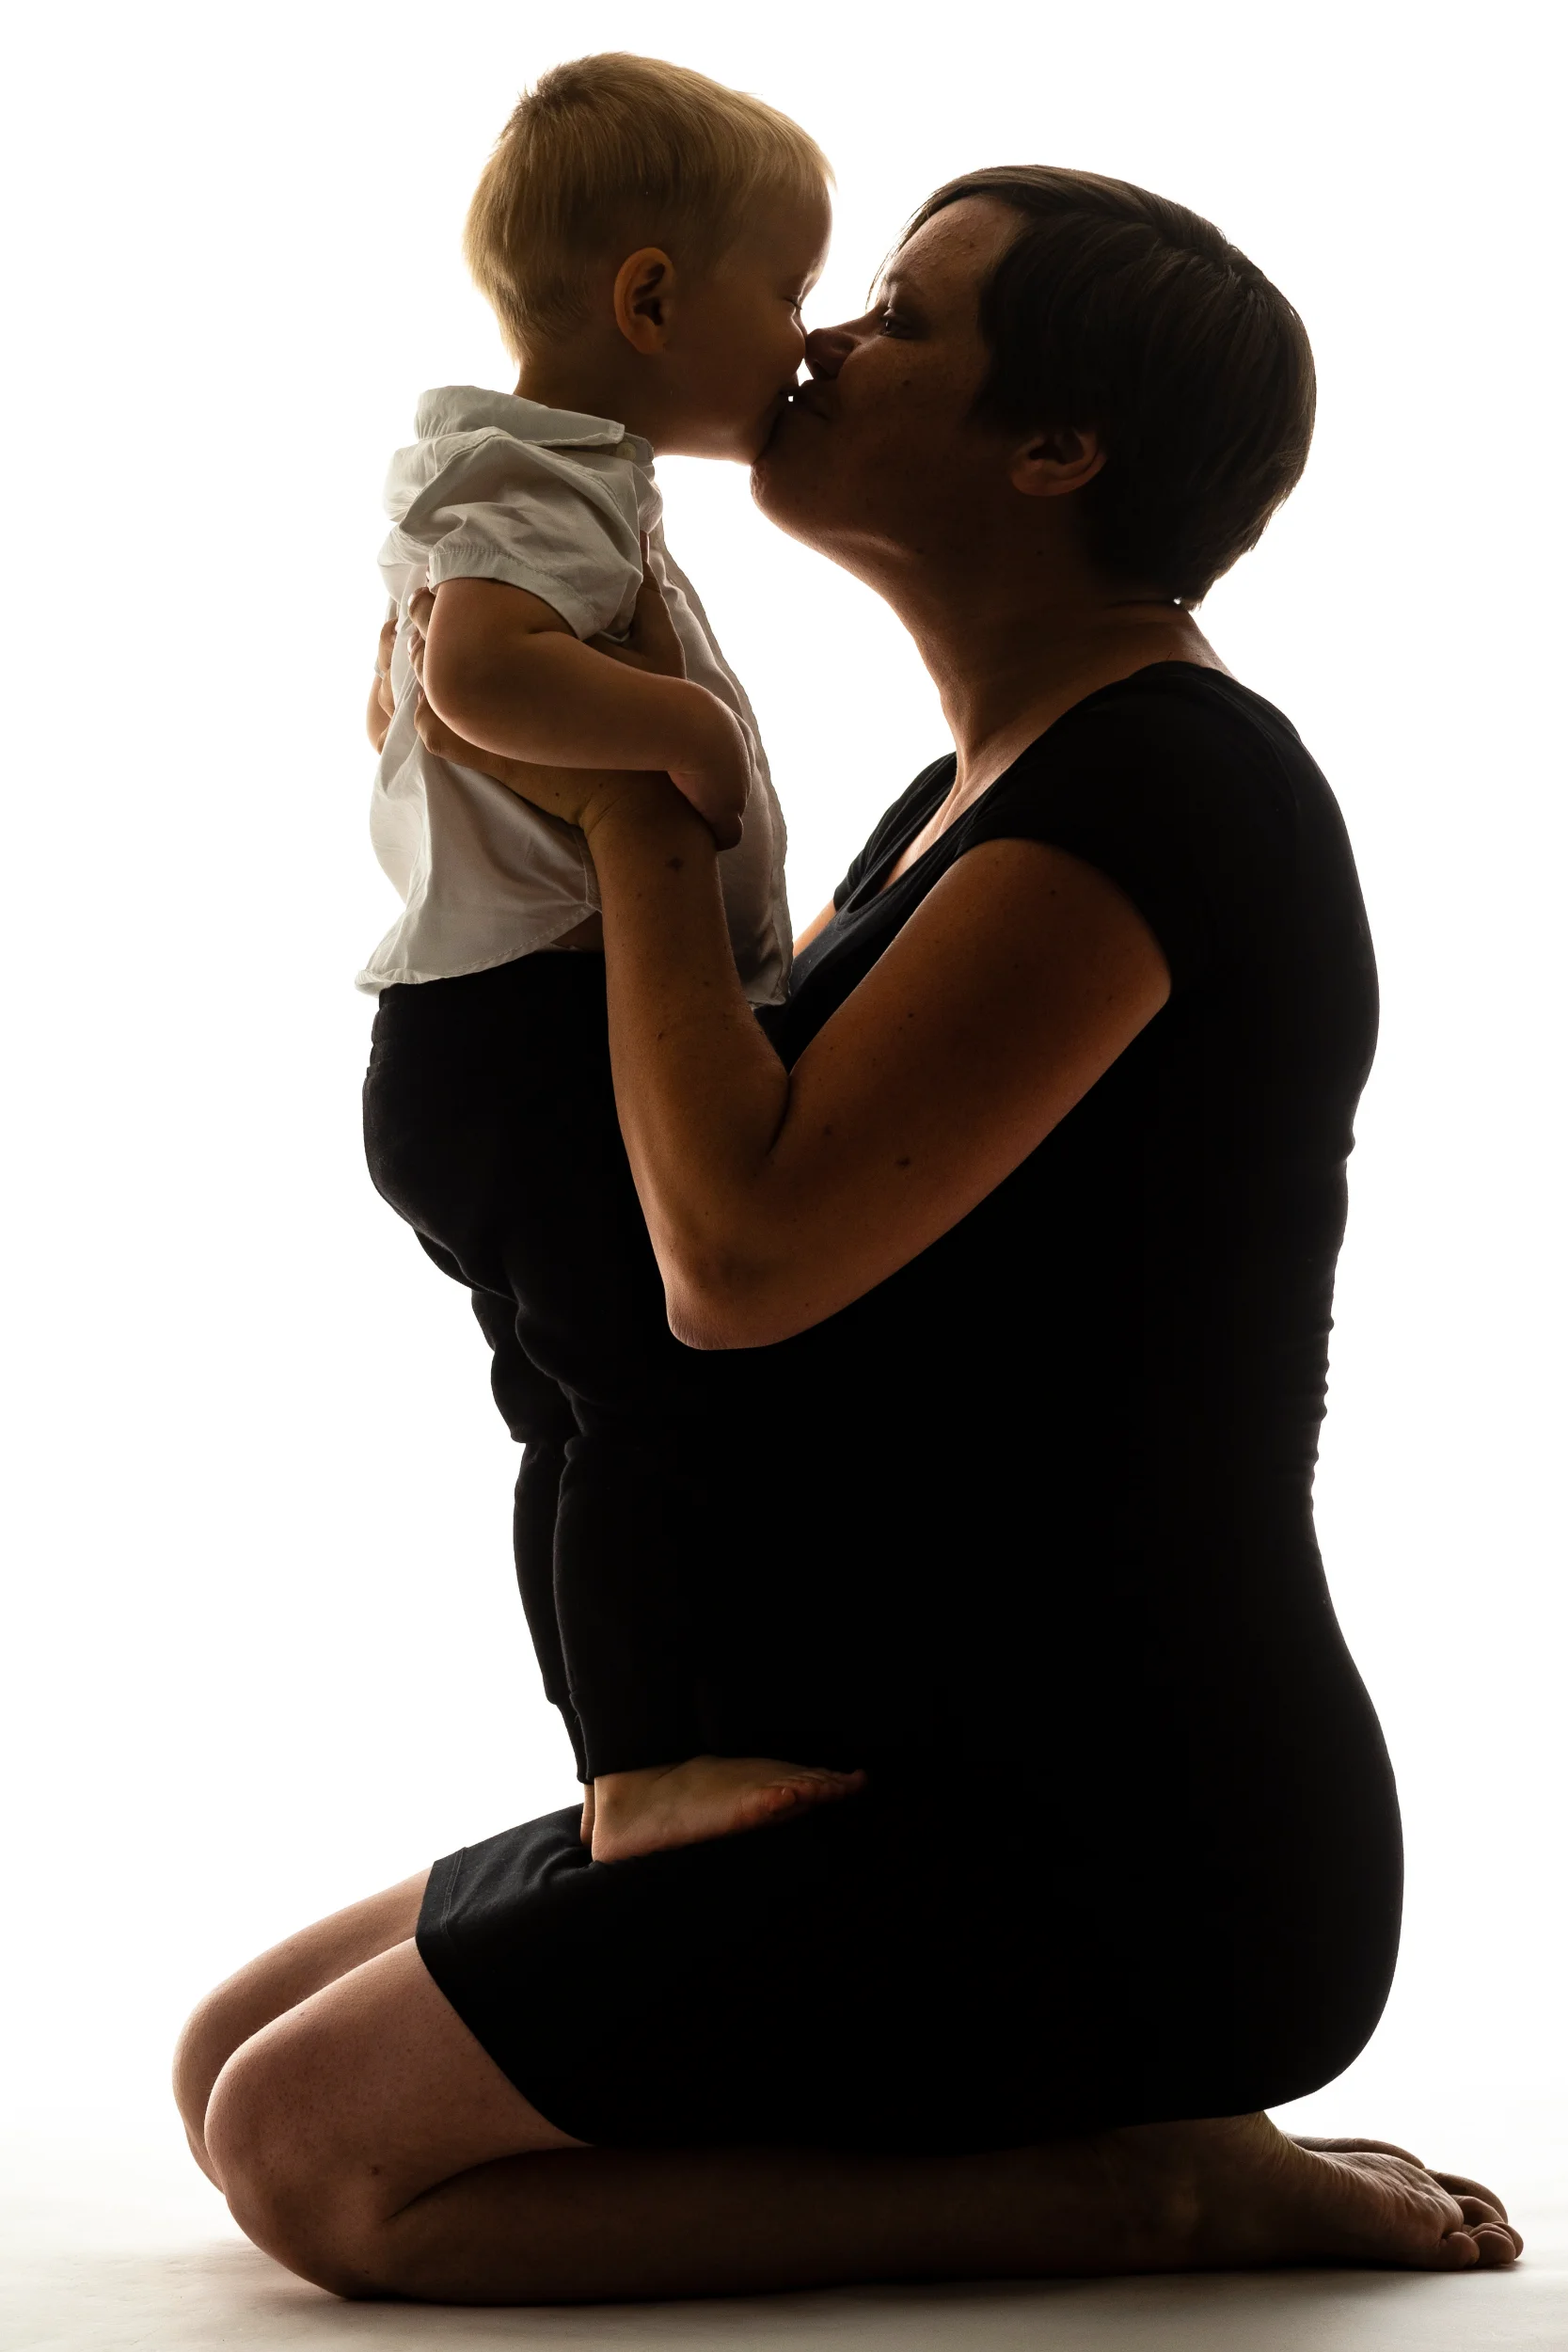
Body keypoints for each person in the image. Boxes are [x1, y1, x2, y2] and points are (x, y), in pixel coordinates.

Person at [172, 165, 1524, 2303]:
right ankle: (1100, 2128)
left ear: (1054, 449)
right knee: (221, 2060)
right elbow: (657, 1187)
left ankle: (1143, 2185)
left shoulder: (1159, 791)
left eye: (897, 315)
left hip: (1116, 1825)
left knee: (315, 2161)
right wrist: (505, 793)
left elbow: (739, 1256)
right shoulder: (955, 799)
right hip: (906, 1749)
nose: (813, 346)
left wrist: (630, 793)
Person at [359, 54, 862, 1859]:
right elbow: (471, 676)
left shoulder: (561, 477)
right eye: (789, 293)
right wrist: (682, 736)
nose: (808, 343)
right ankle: (646, 1762)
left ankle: (631, 1749)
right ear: (652, 298)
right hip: (527, 1038)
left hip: (494, 1043)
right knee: (639, 1402)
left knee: (582, 1416)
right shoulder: (536, 471)